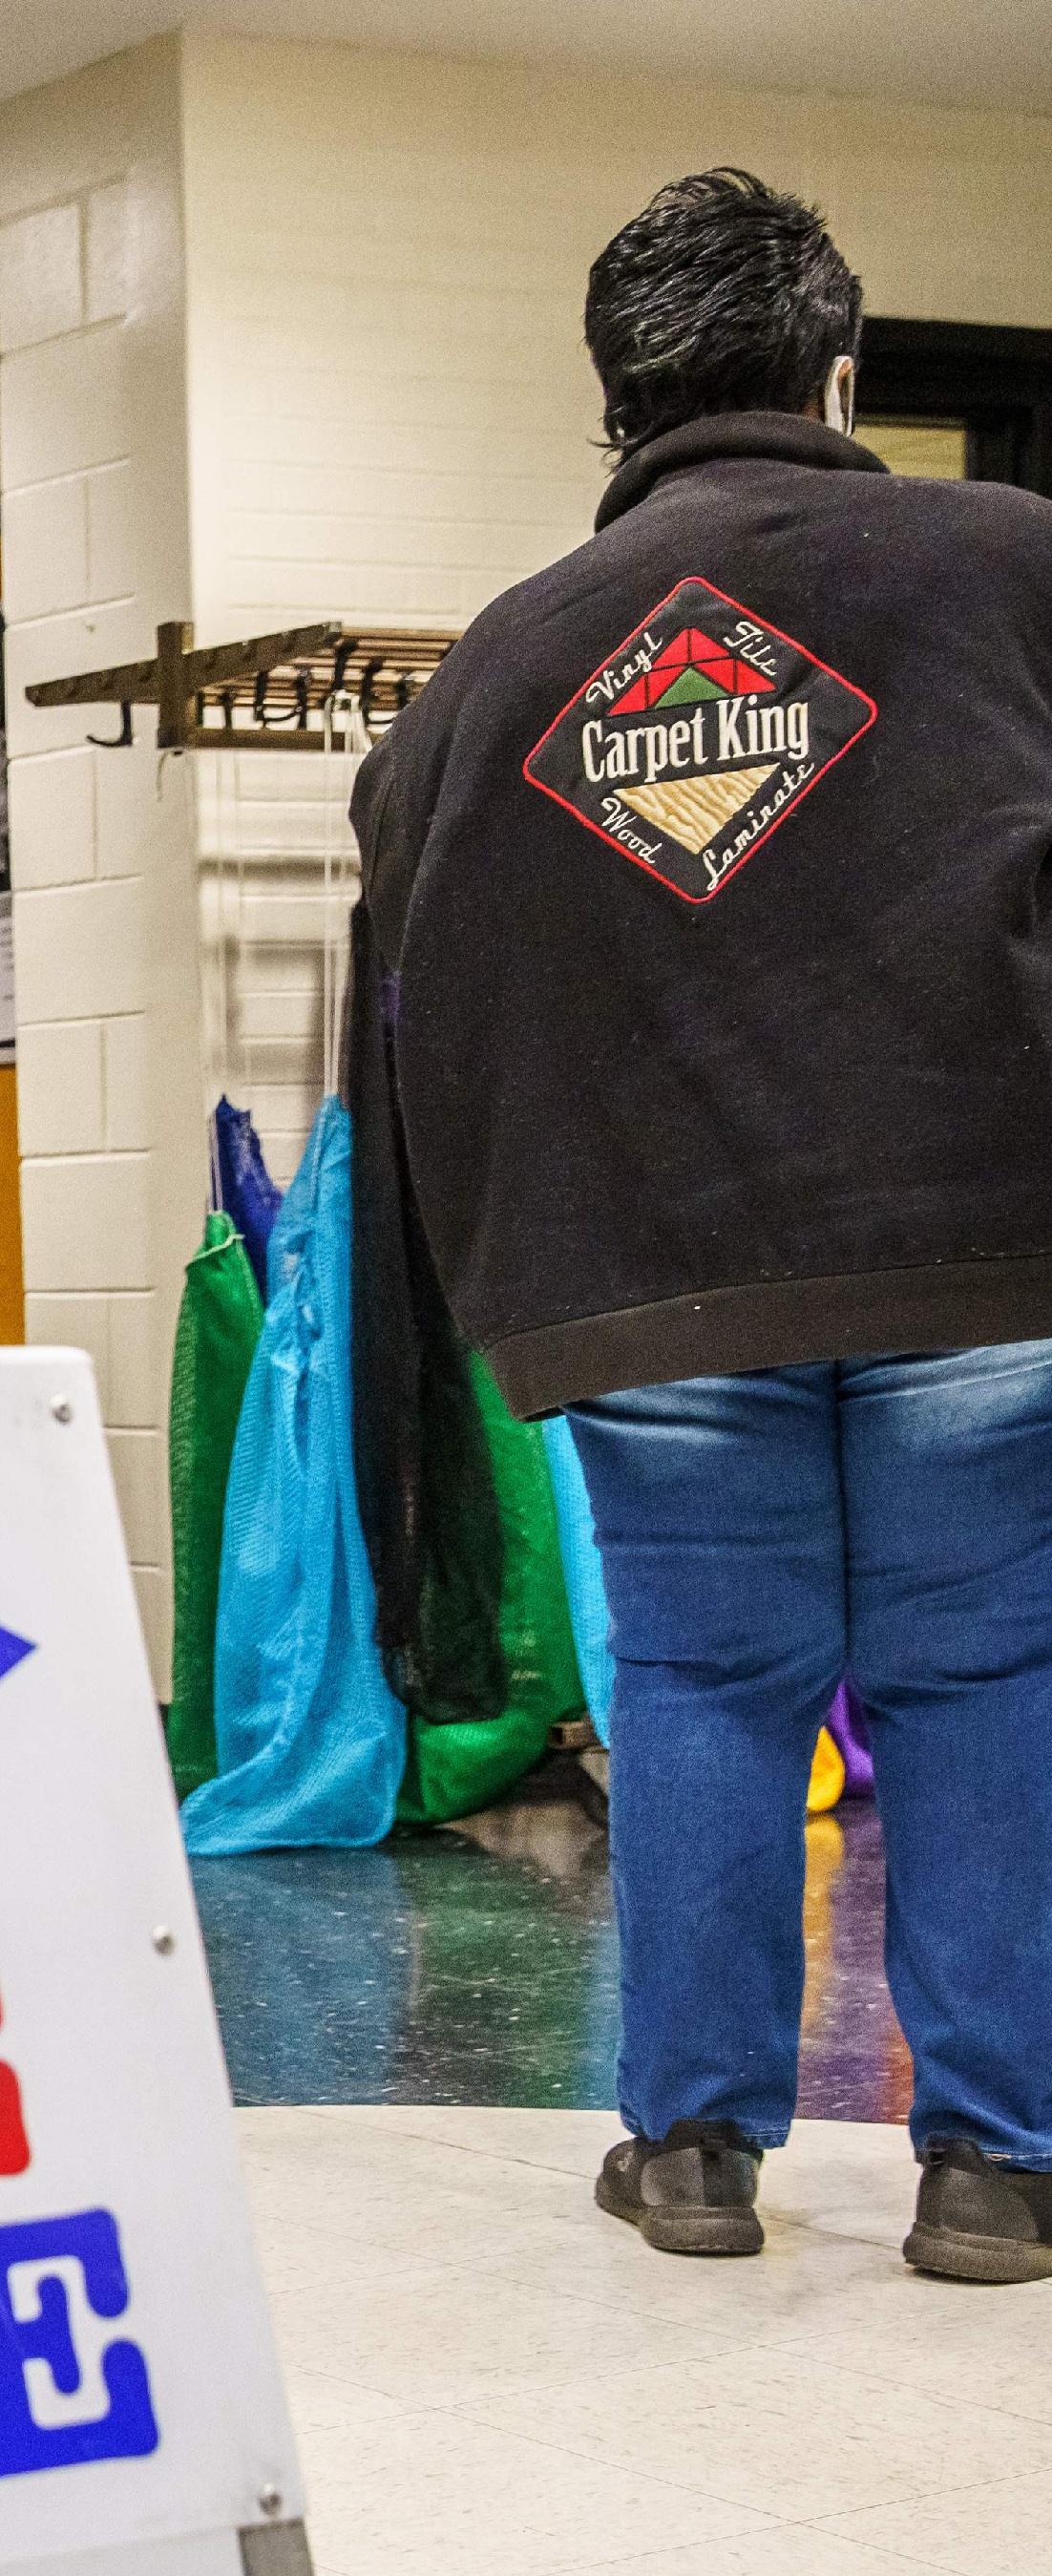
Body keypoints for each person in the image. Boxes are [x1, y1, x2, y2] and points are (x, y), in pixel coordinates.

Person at [349, 169, 1052, 2283]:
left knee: (704, 1691)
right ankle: (996, 2173)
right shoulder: (1010, 568)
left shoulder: (500, 668)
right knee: (986, 1682)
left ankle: (689, 2154)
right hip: (986, 1249)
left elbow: (424, 982)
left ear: (614, 405)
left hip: (651, 1280)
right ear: (836, 368)